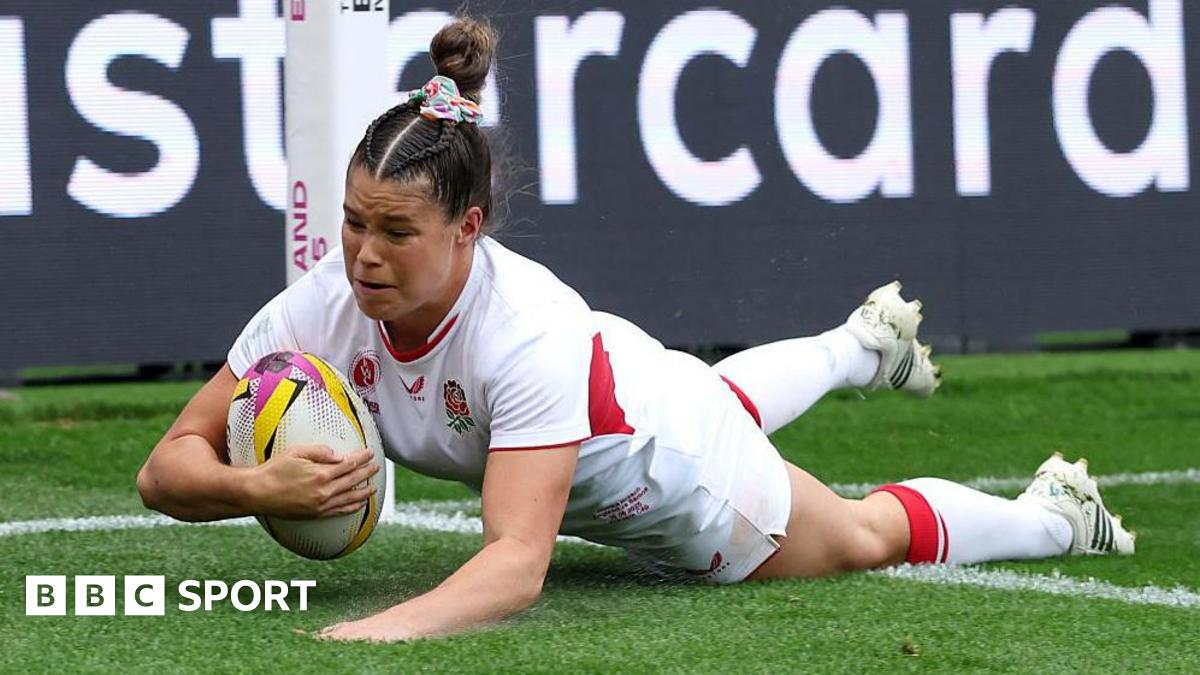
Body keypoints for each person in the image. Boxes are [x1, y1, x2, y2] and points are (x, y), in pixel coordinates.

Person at [136, 17, 1134, 642]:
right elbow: (164, 466)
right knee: (722, 395)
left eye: (398, 232)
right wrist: (249, 486)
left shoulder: (520, 331)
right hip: (627, 376)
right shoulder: (321, 303)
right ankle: (856, 347)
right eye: (355, 223)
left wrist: (380, 633)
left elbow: (516, 564)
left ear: (468, 230)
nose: (363, 255)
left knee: (861, 535)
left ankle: (1056, 516)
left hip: (674, 470)